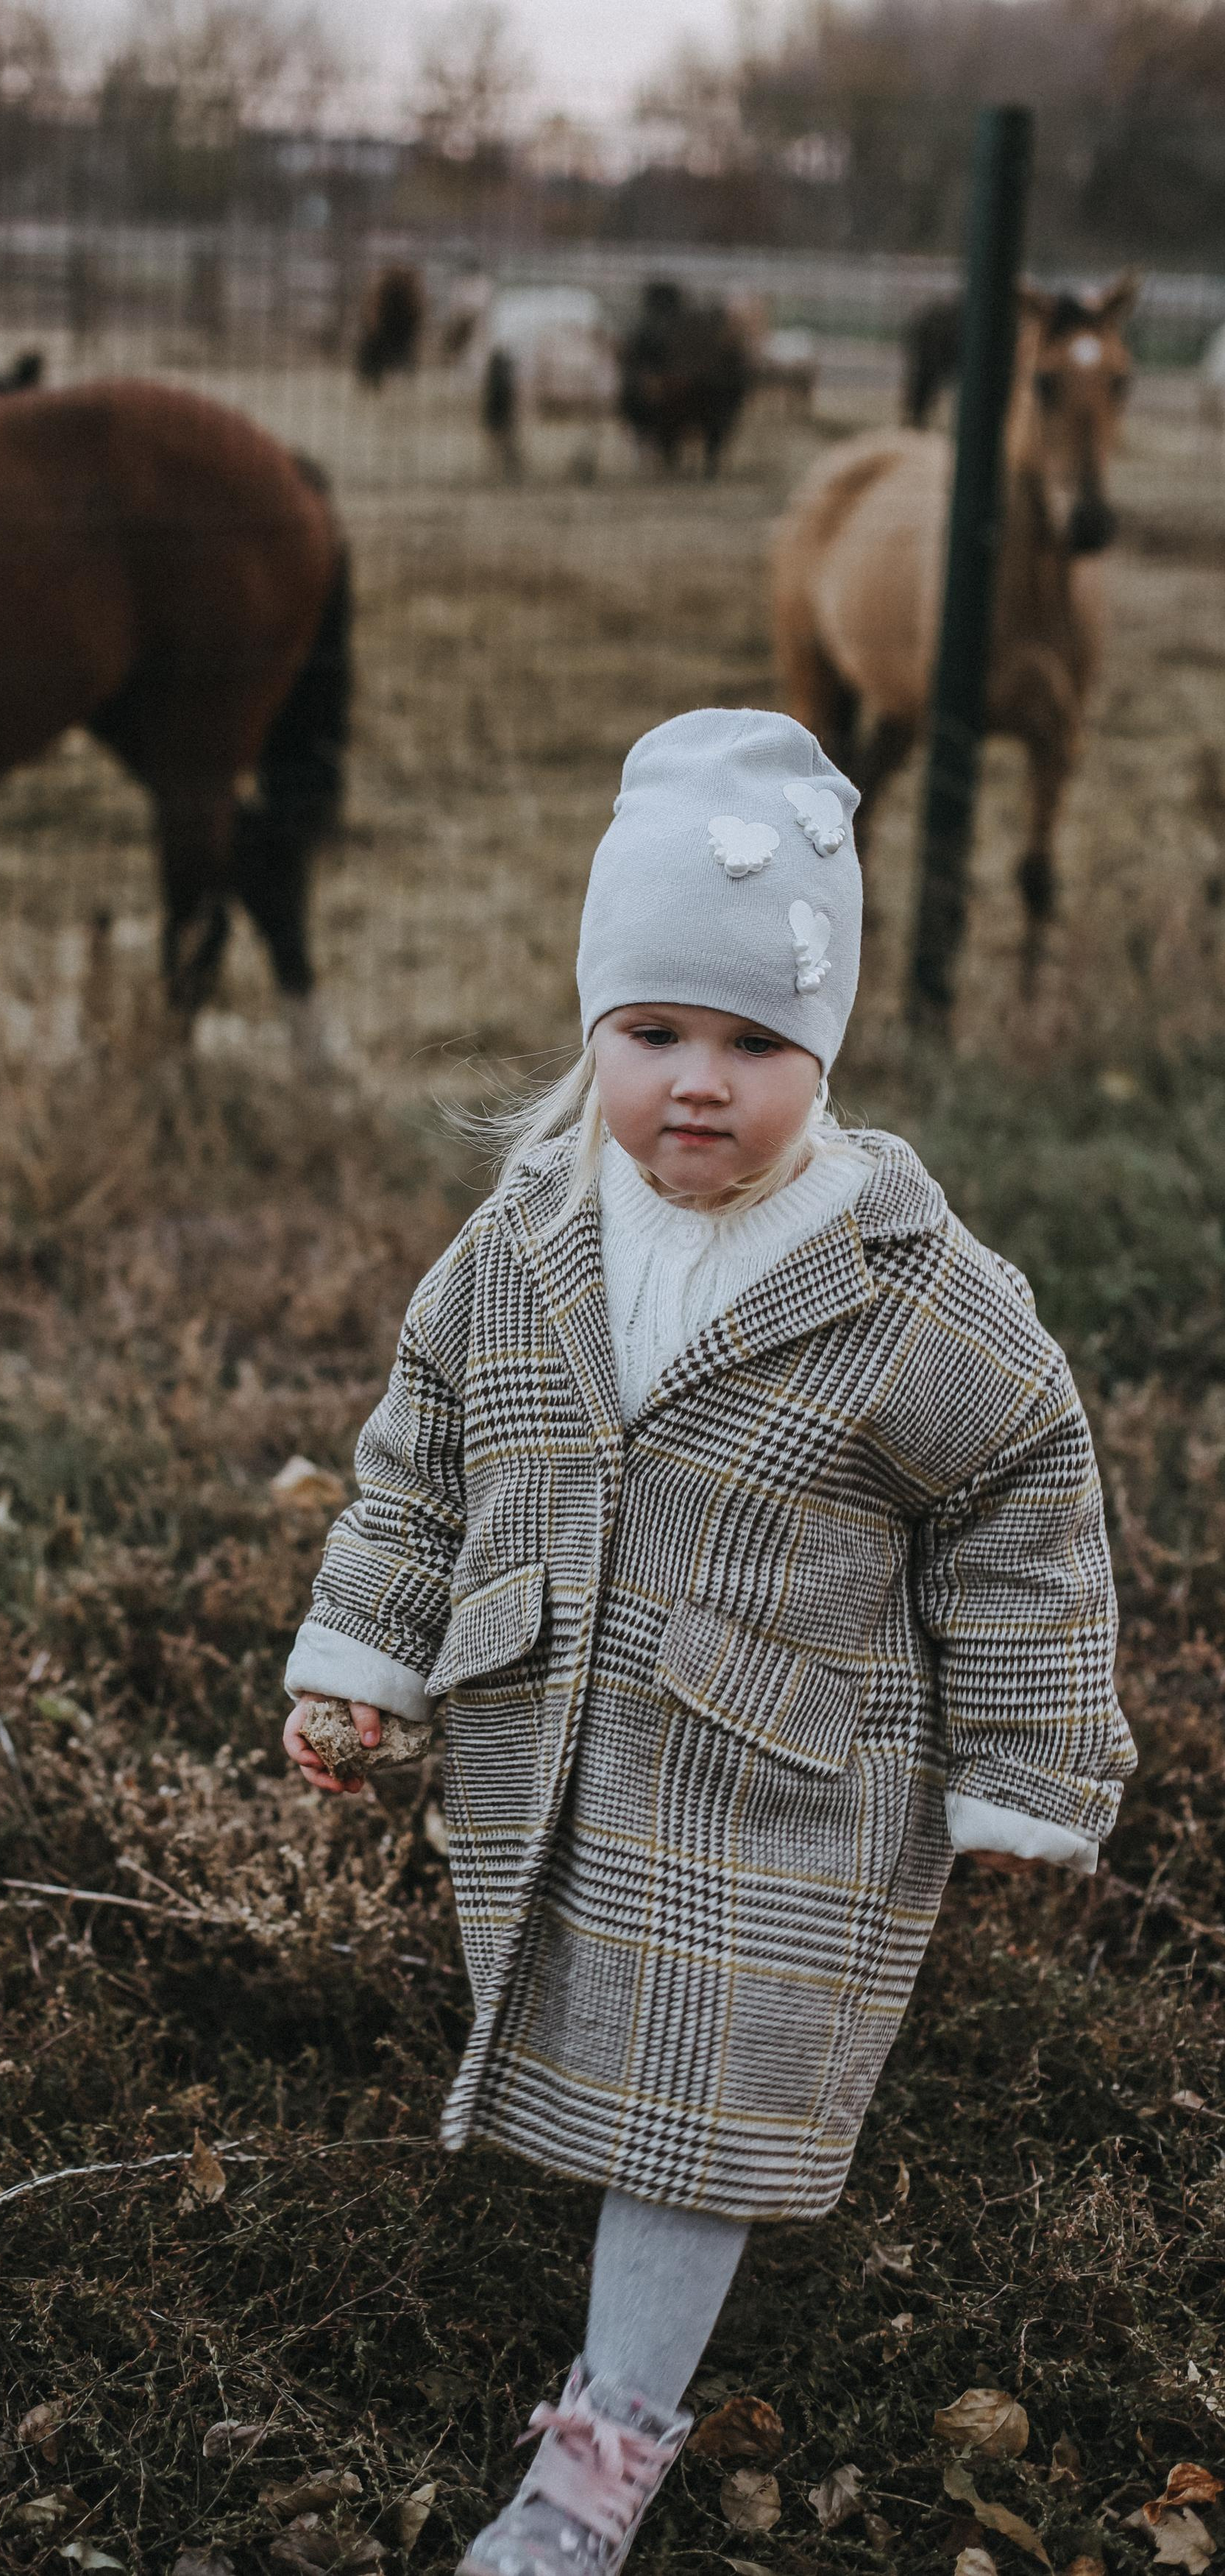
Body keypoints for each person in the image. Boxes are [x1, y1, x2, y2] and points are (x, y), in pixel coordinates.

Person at [281, 708, 1135, 2576]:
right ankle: (612, 2269)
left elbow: (1026, 1500)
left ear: (824, 1056)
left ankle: (591, 2474)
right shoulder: (522, 1243)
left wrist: (1028, 1769)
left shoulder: (902, 1287)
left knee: (694, 2110)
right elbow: (425, 1451)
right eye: (654, 1029)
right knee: (606, 2046)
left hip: (785, 1787)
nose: (697, 1081)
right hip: (561, 1750)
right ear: (593, 1023)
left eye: (758, 1044)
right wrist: (365, 1648)